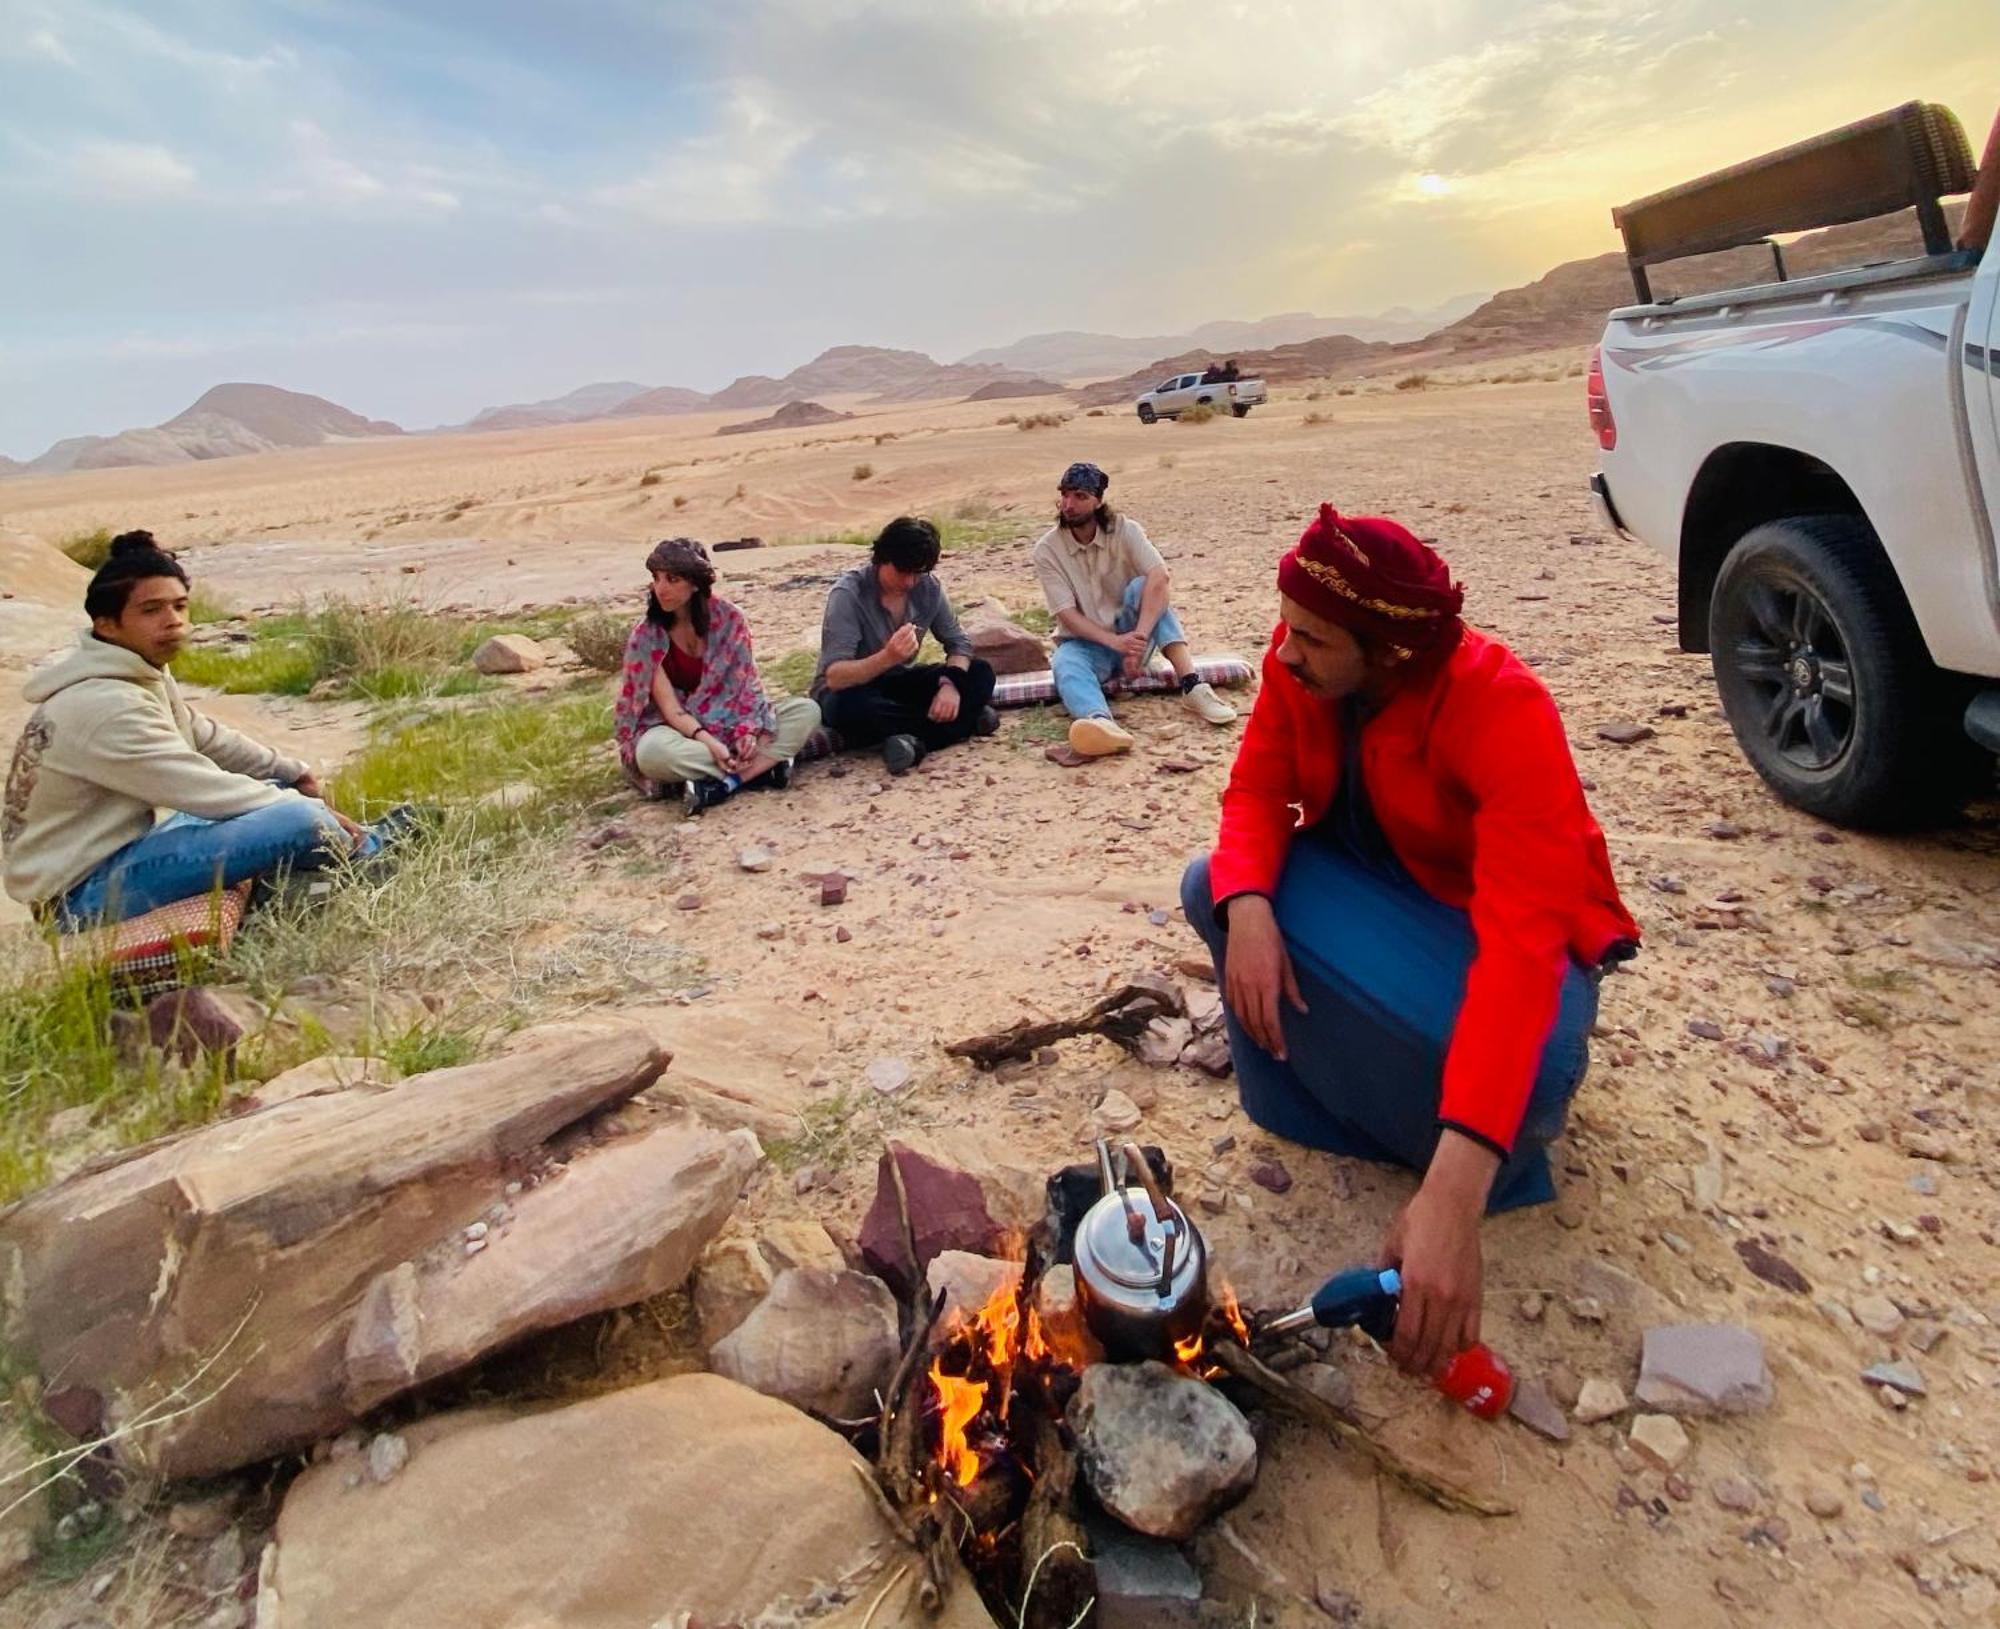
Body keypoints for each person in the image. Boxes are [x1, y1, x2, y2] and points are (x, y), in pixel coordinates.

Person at [1179, 505, 1640, 1382]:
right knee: (1215, 883)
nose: (1282, 654)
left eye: (1310, 638)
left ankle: (1447, 1157)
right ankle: (1376, 1114)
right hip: (1373, 892)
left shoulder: (1503, 708)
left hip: (1478, 924)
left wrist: (1455, 1194)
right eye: (1287, 627)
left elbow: (1517, 948)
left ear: (1387, 652)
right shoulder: (1301, 667)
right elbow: (1260, 796)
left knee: (1538, 1073)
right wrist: (1248, 907)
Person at [3, 530, 391, 926]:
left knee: (278, 791)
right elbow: (201, 789)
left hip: (122, 853)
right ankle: (377, 854)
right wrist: (310, 809)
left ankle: (355, 856)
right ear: (108, 625)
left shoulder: (135, 673)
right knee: (301, 821)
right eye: (151, 610)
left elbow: (201, 734)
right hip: (81, 896)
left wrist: (292, 772)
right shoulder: (105, 706)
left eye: (179, 606)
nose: (173, 621)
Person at [1030, 461, 1238, 757]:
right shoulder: (1047, 550)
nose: (1069, 504)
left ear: (1098, 501)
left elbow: (1159, 577)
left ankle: (1192, 686)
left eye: (1079, 496)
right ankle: (1101, 724)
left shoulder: (1125, 530)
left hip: (1134, 634)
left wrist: (1136, 642)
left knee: (1146, 588)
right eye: (1065, 495)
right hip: (1088, 643)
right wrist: (1115, 643)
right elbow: (1067, 615)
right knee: (1065, 662)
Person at [613, 537, 820, 816]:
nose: (660, 588)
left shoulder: (730, 620)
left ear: (696, 583)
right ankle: (763, 770)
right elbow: (672, 711)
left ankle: (725, 784)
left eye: (672, 579)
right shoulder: (646, 636)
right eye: (656, 578)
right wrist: (711, 743)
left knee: (805, 711)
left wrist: (747, 731)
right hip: (679, 731)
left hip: (731, 721)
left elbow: (746, 689)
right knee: (651, 754)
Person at [812, 516, 999, 774]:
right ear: (882, 558)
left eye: (918, 573)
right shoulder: (849, 594)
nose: (910, 582)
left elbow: (958, 644)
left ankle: (913, 740)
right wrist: (887, 657)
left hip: (897, 681)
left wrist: (951, 685)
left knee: (980, 672)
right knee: (854, 709)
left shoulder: (928, 588)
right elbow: (834, 677)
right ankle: (962, 724)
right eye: (903, 572)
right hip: (850, 690)